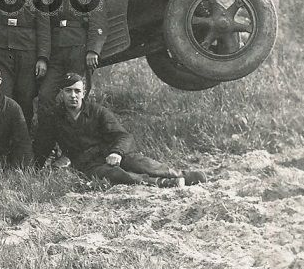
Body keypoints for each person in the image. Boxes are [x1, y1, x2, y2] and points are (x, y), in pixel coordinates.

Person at [33, 73, 208, 187]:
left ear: (84, 92)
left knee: (140, 164)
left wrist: (117, 152)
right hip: (87, 163)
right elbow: (43, 144)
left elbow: (123, 135)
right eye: (68, 91)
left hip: (110, 153)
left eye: (77, 91)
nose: (73, 96)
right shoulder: (53, 118)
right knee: (118, 176)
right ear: (61, 93)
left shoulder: (97, 111)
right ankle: (162, 183)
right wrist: (35, 168)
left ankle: (180, 174)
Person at [36, 0, 107, 109]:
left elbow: (98, 21)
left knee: (79, 97)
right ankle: (51, 134)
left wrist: (92, 50)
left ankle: (81, 134)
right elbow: (45, 26)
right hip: (57, 52)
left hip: (79, 49)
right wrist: (43, 57)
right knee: (45, 96)